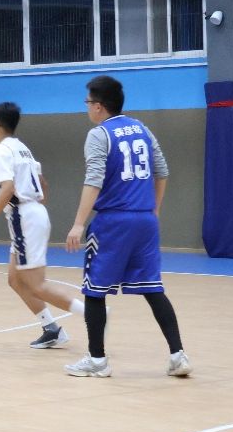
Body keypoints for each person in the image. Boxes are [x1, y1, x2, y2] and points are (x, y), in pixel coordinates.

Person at [64, 75, 192, 379]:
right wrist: (154, 210)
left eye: (88, 102)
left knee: (94, 290)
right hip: (145, 221)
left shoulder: (99, 134)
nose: (87, 107)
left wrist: (78, 223)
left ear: (98, 106)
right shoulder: (142, 129)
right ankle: (178, 355)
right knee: (153, 288)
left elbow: (94, 179)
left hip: (113, 222)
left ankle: (97, 360)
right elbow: (162, 171)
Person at [0, 102, 84, 349]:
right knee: (15, 279)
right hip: (34, 212)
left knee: (36, 284)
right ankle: (51, 329)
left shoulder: (0, 151)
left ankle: (92, 314)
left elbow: (8, 188)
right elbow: (43, 183)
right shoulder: (22, 148)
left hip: (23, 215)